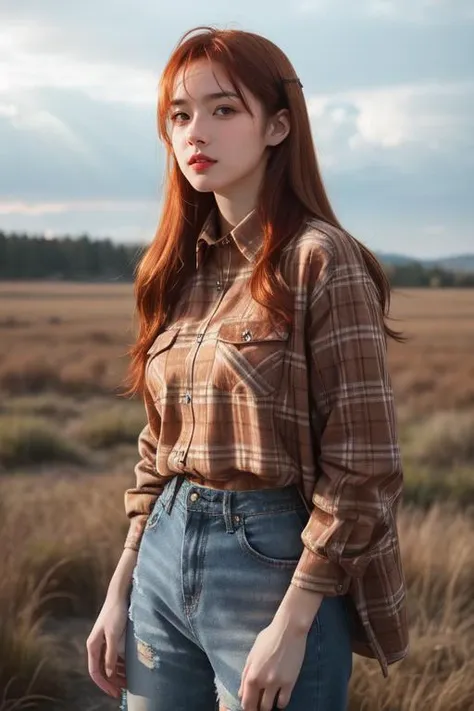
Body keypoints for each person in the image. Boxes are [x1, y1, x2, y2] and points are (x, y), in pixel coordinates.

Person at [86, 25, 409, 711]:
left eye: (223, 109)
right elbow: (157, 450)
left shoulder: (320, 259)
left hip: (270, 565)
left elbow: (366, 465)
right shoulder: (179, 270)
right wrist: (121, 586)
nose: (195, 131)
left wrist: (294, 623)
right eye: (180, 114)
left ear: (277, 126)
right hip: (162, 552)